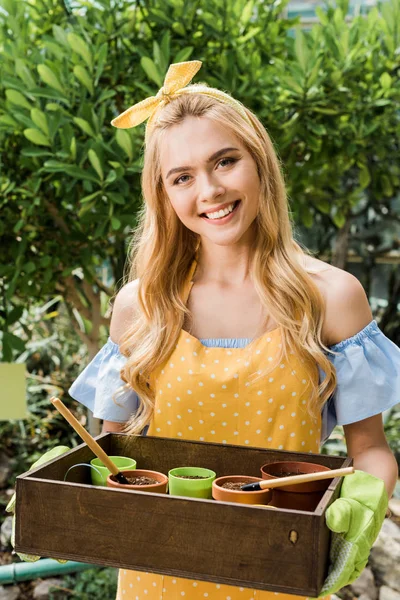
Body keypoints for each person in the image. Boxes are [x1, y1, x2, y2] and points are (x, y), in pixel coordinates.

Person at [69, 61, 400, 600]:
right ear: (165, 195)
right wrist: (70, 478)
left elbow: (371, 450)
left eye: (225, 161)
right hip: (158, 571)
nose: (210, 191)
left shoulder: (332, 297)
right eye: (182, 177)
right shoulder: (141, 306)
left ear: (259, 163)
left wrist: (365, 502)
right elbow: (116, 457)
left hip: (281, 570)